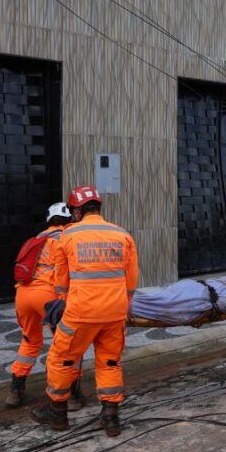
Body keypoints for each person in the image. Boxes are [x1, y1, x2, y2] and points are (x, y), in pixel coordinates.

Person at [31, 185, 139, 437]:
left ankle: (57, 414)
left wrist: (61, 302)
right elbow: (131, 280)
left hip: (81, 312)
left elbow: (61, 281)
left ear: (77, 211)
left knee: (62, 359)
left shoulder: (67, 236)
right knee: (110, 361)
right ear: (98, 208)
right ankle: (111, 419)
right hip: (114, 312)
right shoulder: (121, 234)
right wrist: (124, 306)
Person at [6, 203, 84, 409]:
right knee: (67, 345)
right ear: (71, 220)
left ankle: (16, 390)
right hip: (49, 296)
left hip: (23, 294)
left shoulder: (37, 238)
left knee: (30, 341)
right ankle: (71, 394)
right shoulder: (68, 238)